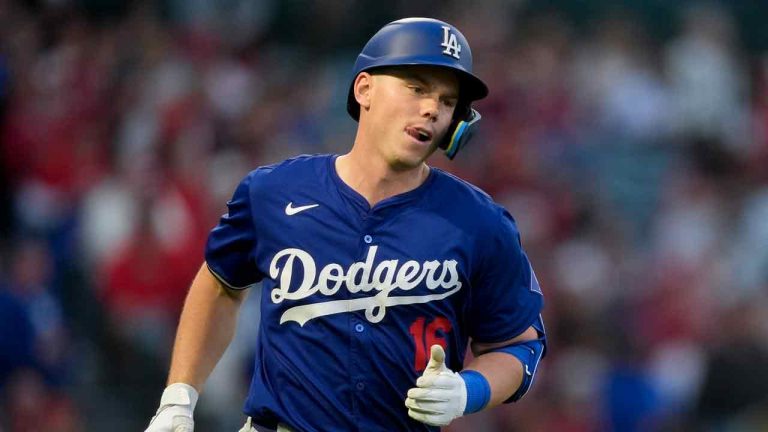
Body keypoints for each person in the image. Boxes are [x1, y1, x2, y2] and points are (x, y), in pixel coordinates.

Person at [145, 17, 546, 432]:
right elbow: (221, 285)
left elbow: (519, 346)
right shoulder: (274, 192)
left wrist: (469, 390)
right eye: (417, 88)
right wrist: (178, 398)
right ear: (364, 89)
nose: (432, 108)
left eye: (447, 101)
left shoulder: (479, 221)